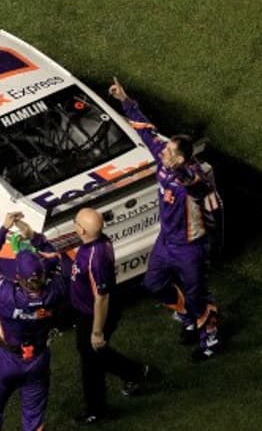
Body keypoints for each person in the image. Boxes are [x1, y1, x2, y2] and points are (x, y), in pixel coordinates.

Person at [109, 78, 222, 360]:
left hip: (190, 247)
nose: (164, 152)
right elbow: (146, 130)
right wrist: (125, 100)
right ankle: (187, 316)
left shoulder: (195, 176)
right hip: (166, 240)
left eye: (170, 151)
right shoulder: (164, 159)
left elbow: (195, 185)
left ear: (182, 159)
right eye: (167, 148)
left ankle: (210, 339)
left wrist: (179, 171)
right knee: (153, 284)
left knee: (198, 295)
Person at [0, 212, 68, 431]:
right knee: (33, 416)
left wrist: (3, 229)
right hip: (37, 360)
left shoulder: (6, 293)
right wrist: (34, 237)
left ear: (17, 276)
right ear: (43, 275)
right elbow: (56, 257)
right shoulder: (56, 290)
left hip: (6, 360)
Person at [62, 208, 150, 423]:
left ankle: (96, 410)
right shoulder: (99, 241)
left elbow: (101, 298)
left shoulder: (95, 259)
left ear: (82, 231)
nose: (74, 224)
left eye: (76, 222)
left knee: (91, 361)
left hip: (94, 315)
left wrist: (97, 331)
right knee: (93, 353)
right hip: (87, 311)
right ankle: (135, 372)